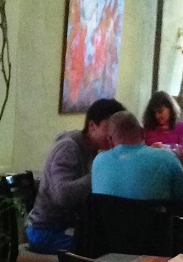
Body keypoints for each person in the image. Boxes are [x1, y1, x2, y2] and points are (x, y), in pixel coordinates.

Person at [26, 97, 125, 253]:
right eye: (109, 128)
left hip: (69, 228)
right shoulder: (68, 148)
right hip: (45, 231)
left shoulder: (95, 151)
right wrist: (99, 173)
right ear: (92, 126)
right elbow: (62, 196)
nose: (113, 135)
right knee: (101, 249)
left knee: (118, 239)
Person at [91, 111, 183, 215]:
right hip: (153, 228)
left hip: (107, 228)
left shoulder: (98, 161)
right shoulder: (167, 158)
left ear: (110, 140)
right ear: (143, 133)